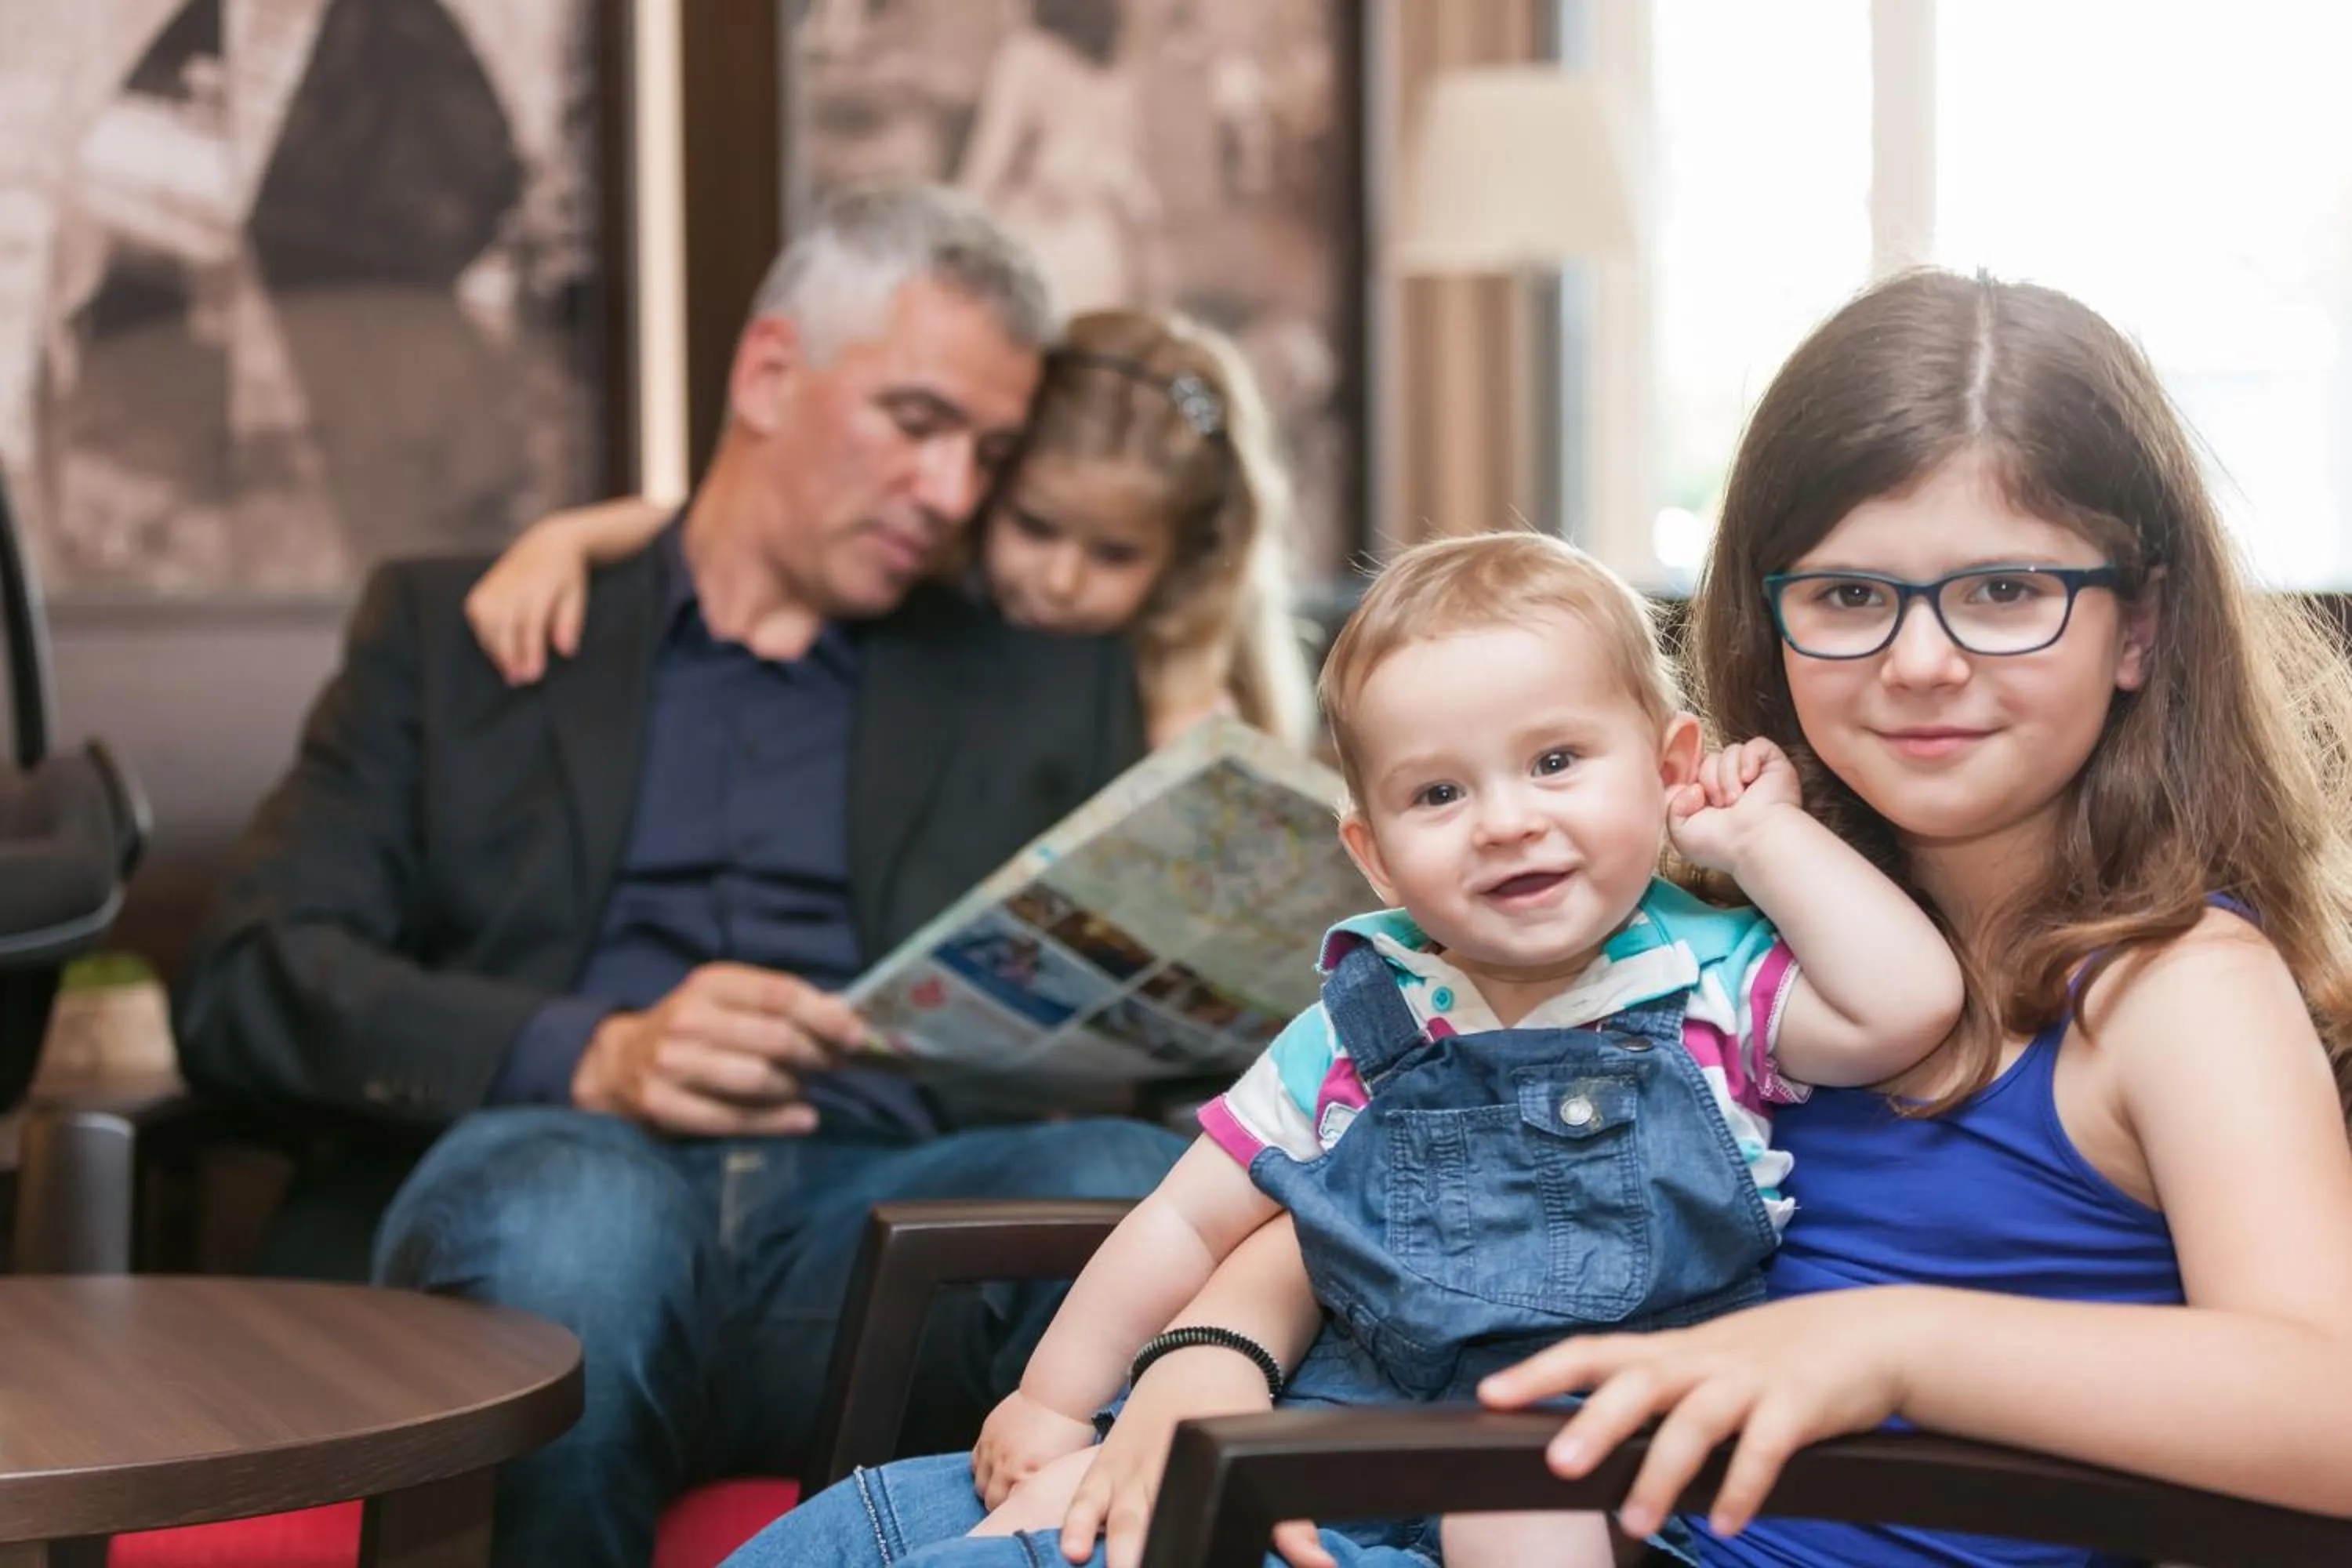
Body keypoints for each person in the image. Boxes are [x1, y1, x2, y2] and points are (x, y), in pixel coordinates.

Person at [735, 266, 2352, 1568]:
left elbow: (2330, 1408)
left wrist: (1883, 1346)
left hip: (1573, 1520)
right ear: (1764, 621)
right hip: (1406, 1450)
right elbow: (1434, 1166)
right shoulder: (1705, 918)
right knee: (842, 1537)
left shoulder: (2174, 984)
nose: (1921, 660)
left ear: (2139, 627)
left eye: (2009, 589)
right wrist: (1212, 1358)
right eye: (1851, 595)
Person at [172, 183, 1189, 1568]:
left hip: (870, 1248)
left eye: (988, 452)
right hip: (542, 1220)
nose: (953, 492)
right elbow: (251, 979)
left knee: (1131, 1178)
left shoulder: (1034, 680)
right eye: (917, 421)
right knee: (577, 1213)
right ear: (771, 372)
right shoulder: (458, 634)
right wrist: (586, 1053)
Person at [727, 530, 1966, 1568]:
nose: (1507, 822)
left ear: (1669, 769)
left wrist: (1760, 843)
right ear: (1372, 853)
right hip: (1320, 1420)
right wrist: (1055, 1400)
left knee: (1503, 1510)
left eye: (1555, 761)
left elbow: (1908, 1006)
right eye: (1440, 795)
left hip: (1577, 1472)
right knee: (856, 1536)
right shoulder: (1366, 1013)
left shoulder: (1712, 982)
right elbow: (1183, 1219)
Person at [466, 307, 1316, 751]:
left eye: (1113, 554)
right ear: (985, 489)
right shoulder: (922, 564)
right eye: (1035, 527)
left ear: (1185, 559)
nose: (1058, 579)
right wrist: (567, 540)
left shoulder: (1191, 690)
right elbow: (714, 529)